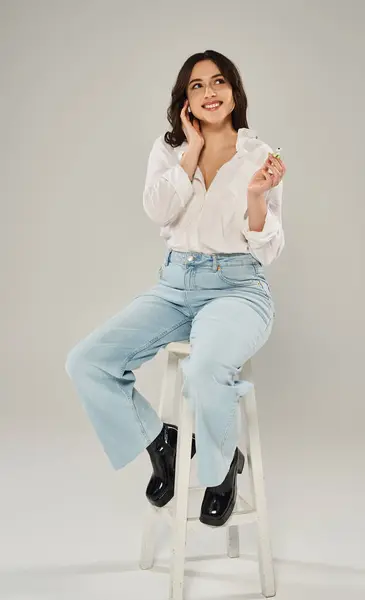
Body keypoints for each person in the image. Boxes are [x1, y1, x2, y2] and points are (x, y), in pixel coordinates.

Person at [65, 49, 286, 528]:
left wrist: (255, 197)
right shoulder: (168, 150)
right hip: (174, 284)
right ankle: (161, 442)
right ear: (185, 100)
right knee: (86, 361)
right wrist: (190, 151)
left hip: (238, 289)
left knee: (206, 367)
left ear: (234, 91)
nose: (210, 92)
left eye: (219, 82)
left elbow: (267, 248)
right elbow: (159, 211)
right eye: (197, 86)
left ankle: (221, 465)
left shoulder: (260, 156)